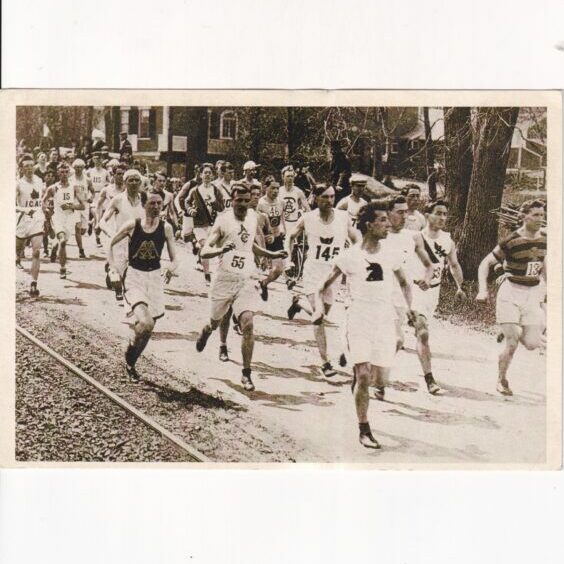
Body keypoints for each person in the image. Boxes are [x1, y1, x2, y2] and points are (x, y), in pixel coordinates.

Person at [315, 201, 414, 449]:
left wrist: (410, 310)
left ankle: (358, 375)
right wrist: (318, 308)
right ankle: (364, 429)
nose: (388, 224)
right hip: (358, 318)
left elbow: (405, 283)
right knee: (363, 374)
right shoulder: (349, 256)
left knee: (379, 379)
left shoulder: (391, 253)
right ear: (369, 225)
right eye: (383, 220)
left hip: (384, 320)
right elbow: (322, 286)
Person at [195, 185, 288, 391]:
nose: (243, 204)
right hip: (224, 279)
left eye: (247, 200)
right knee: (215, 321)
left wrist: (271, 254)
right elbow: (205, 251)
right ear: (232, 200)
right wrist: (221, 249)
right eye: (239, 200)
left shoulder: (253, 218)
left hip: (245, 279)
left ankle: (246, 373)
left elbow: (249, 245)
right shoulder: (223, 220)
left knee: (248, 324)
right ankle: (207, 331)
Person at [285, 184, 358, 377]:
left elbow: (356, 240)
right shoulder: (308, 218)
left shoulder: (343, 218)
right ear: (316, 198)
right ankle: (325, 362)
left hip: (333, 273)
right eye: (325, 197)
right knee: (318, 317)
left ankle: (299, 303)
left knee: (322, 314)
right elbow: (290, 236)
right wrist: (288, 259)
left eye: (332, 197)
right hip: (313, 272)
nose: (330, 201)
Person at [476, 199, 546, 396]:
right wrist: (482, 290)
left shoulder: (546, 239)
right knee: (513, 341)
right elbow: (485, 264)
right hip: (511, 293)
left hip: (532, 294)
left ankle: (510, 327)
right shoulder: (511, 241)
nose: (540, 219)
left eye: (542, 215)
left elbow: (545, 265)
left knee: (532, 344)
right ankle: (502, 379)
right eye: (535, 215)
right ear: (523, 216)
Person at [108, 189, 178, 382]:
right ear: (144, 205)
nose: (156, 207)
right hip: (135, 277)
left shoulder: (166, 228)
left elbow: (174, 259)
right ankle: (129, 358)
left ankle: (131, 361)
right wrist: (113, 269)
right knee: (146, 323)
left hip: (154, 279)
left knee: (147, 329)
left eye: (159, 203)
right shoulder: (133, 225)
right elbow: (111, 243)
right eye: (152, 203)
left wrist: (170, 268)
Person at [407, 200, 466, 394]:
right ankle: (429, 378)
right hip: (414, 290)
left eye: (445, 214)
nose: (442, 217)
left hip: (433, 293)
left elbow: (454, 264)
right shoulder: (415, 238)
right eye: (438, 213)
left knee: (420, 333)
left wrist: (460, 287)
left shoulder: (448, 241)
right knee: (423, 333)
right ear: (427, 215)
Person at [384, 196, 434, 365]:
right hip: (382, 296)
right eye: (400, 212)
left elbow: (429, 265)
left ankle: (374, 372)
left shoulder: (414, 237)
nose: (405, 216)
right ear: (388, 213)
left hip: (403, 297)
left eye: (406, 212)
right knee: (397, 339)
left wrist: (426, 279)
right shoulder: (379, 235)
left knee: (394, 342)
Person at [100, 169, 145, 301]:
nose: (134, 183)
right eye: (131, 180)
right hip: (120, 240)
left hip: (139, 241)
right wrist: (110, 233)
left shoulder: (145, 199)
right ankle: (113, 274)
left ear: (140, 182)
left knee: (134, 274)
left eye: (137, 180)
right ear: (125, 182)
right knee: (118, 275)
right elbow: (103, 221)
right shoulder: (118, 200)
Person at [42, 163, 86, 279]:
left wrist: (71, 206)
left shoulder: (74, 187)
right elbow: (43, 201)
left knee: (62, 242)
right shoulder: (53, 188)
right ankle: (62, 268)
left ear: (69, 173)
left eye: (66, 172)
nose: (64, 174)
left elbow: (83, 206)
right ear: (58, 173)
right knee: (62, 241)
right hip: (58, 217)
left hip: (70, 218)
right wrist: (46, 210)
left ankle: (54, 246)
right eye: (62, 172)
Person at [185, 163, 225, 284]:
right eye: (205, 173)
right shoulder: (195, 190)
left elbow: (221, 207)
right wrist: (190, 210)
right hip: (199, 224)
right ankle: (207, 274)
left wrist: (214, 202)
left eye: (209, 173)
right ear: (201, 175)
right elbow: (187, 202)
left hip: (213, 224)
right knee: (205, 246)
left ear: (213, 176)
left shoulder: (216, 190)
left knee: (214, 248)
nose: (207, 175)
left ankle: (219, 272)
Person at [16, 154, 45, 297]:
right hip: (22, 221)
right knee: (17, 250)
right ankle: (17, 258)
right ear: (21, 169)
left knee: (36, 252)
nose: (29, 168)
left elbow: (41, 200)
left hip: (37, 220)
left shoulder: (39, 181)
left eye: (31, 165)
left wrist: (46, 211)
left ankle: (33, 283)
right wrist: (24, 209)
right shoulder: (18, 184)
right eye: (26, 166)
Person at [279, 165, 311, 288]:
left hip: (294, 223)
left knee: (291, 244)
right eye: (288, 176)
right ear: (283, 177)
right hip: (281, 222)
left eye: (292, 176)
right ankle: (286, 268)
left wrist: (306, 217)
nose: (290, 179)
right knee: (283, 246)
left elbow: (307, 208)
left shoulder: (298, 191)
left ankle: (289, 268)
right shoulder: (279, 191)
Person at [257, 180, 287, 299]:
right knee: (258, 267)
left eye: (277, 188)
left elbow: (282, 217)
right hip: (263, 239)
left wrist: (283, 229)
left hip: (276, 237)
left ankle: (264, 283)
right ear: (266, 188)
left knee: (278, 270)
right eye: (272, 188)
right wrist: (262, 239)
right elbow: (258, 225)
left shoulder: (281, 202)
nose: (275, 191)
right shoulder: (261, 203)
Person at [71, 158, 95, 259]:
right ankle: (81, 250)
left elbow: (93, 192)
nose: (78, 169)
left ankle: (89, 225)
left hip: (85, 205)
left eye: (80, 167)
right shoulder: (71, 179)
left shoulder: (87, 179)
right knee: (77, 227)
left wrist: (91, 198)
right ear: (74, 168)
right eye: (77, 167)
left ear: (83, 167)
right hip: (75, 204)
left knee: (83, 231)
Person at [87, 151, 111, 246]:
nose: (97, 161)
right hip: (93, 195)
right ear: (93, 160)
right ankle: (97, 238)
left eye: (99, 159)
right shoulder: (89, 172)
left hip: (103, 196)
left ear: (102, 160)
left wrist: (107, 185)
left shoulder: (105, 172)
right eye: (95, 159)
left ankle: (91, 223)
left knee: (102, 217)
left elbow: (110, 183)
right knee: (97, 216)